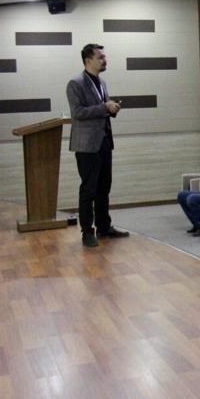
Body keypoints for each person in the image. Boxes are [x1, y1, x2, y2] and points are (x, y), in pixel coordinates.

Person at [67, 43, 126, 247]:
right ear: (88, 60)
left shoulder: (102, 82)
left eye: (104, 57)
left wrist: (112, 108)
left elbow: (103, 109)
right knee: (89, 189)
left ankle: (103, 227)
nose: (104, 60)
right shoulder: (75, 83)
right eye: (100, 57)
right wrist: (104, 107)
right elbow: (78, 112)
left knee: (104, 187)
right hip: (87, 145)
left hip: (104, 142)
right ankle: (87, 231)